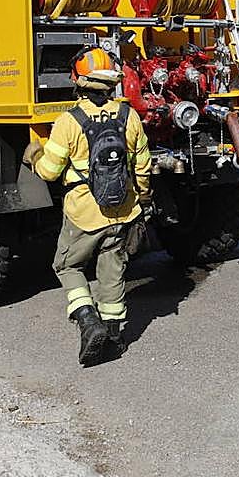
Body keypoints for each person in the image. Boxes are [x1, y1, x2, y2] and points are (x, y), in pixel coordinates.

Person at [26, 46, 152, 366]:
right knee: (112, 267)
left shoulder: (69, 122)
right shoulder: (129, 115)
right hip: (123, 208)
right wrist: (142, 198)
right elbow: (142, 167)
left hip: (85, 211)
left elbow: (50, 172)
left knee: (66, 266)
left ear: (78, 80)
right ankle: (113, 333)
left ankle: (87, 321)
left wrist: (34, 155)